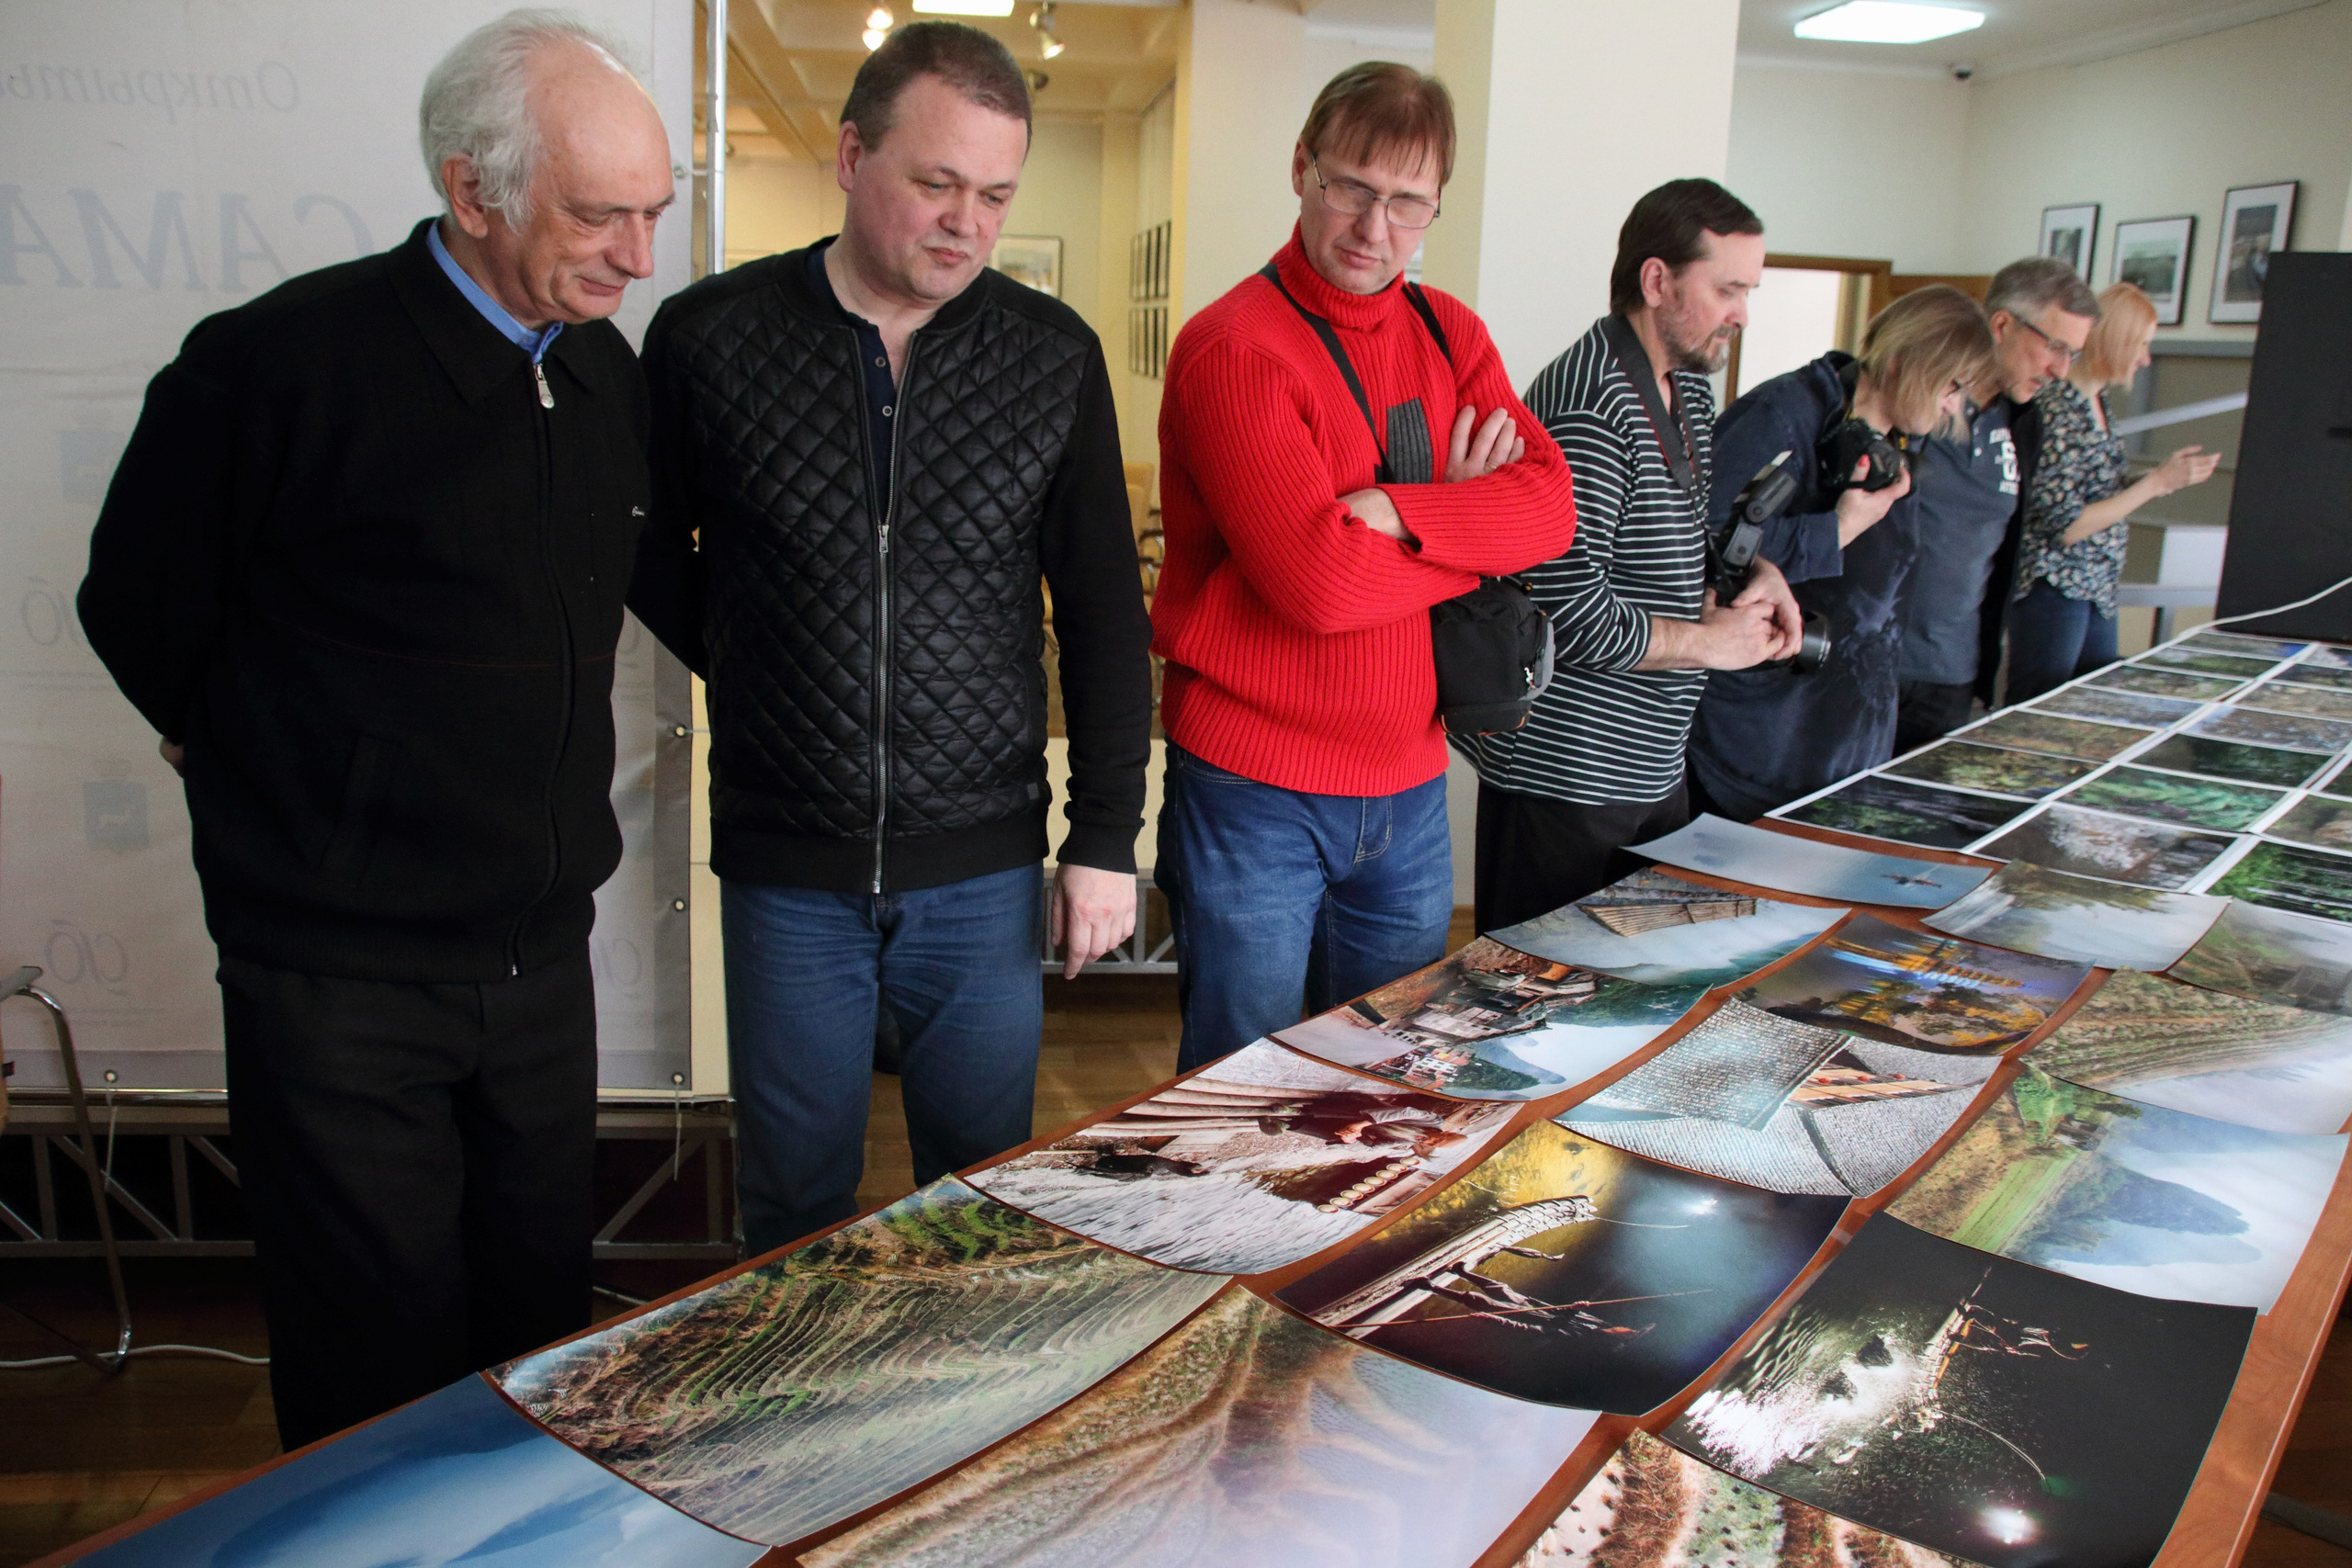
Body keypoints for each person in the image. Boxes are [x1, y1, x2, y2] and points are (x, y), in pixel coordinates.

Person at [76, 12, 673, 1448]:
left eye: (654, 213)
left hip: (537, 969)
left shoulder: (602, 374)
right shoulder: (274, 365)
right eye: (601, 215)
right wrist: (271, 762)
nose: (639, 258)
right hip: (338, 980)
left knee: (533, 1343)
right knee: (371, 1362)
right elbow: (137, 602)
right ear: (474, 192)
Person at [631, 22, 1152, 1257]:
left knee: (980, 1207)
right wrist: (775, 662)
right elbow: (644, 554)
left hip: (980, 867)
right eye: (934, 184)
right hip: (785, 866)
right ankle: (793, 1435)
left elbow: (1101, 614)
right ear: (851, 154)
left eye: (994, 194)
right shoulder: (711, 338)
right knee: (794, 1204)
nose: (965, 224)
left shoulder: (1052, 355)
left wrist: (1104, 838)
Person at [1152, 62, 1578, 1073]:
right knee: (1243, 1076)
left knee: (1386, 1075)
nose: (1371, 227)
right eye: (1349, 185)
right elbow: (1317, 585)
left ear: (1433, 208)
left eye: (1404, 203)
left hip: (1408, 786)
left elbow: (1553, 509)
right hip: (1254, 786)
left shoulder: (1449, 333)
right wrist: (1471, 538)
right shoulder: (1235, 350)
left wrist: (1395, 514)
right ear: (1301, 168)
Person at [1459, 178, 1803, 932]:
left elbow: (1679, 543)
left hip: (1653, 765)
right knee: (1542, 1010)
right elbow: (1566, 608)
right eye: (1728, 288)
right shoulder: (1589, 399)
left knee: (1632, 1002)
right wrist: (1710, 644)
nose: (1743, 312)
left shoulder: (1690, 391)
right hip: (1567, 778)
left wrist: (1757, 574)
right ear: (1657, 280)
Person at [1687, 287, 1996, 822]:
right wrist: (1837, 529)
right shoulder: (1780, 412)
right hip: (1761, 743)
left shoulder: (1896, 446)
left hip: (1846, 743)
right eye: (1949, 384)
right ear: (1904, 361)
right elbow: (1697, 537)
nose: (1953, 404)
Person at [1892, 257, 2098, 752]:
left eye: (2073, 355)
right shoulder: (1917, 400)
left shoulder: (2024, 423)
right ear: (2002, 325)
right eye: (2055, 347)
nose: (2060, 370)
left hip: (1954, 675)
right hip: (1872, 664)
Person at [2007, 282, 2222, 703]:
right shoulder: (2058, 407)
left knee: (2093, 705)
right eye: (2140, 344)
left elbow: (2093, 490)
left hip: (2097, 585)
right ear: (2116, 341)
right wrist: (2155, 484)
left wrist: (2163, 477)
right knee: (2039, 714)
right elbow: (2065, 524)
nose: (2146, 359)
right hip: (2057, 584)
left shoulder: (2098, 401)